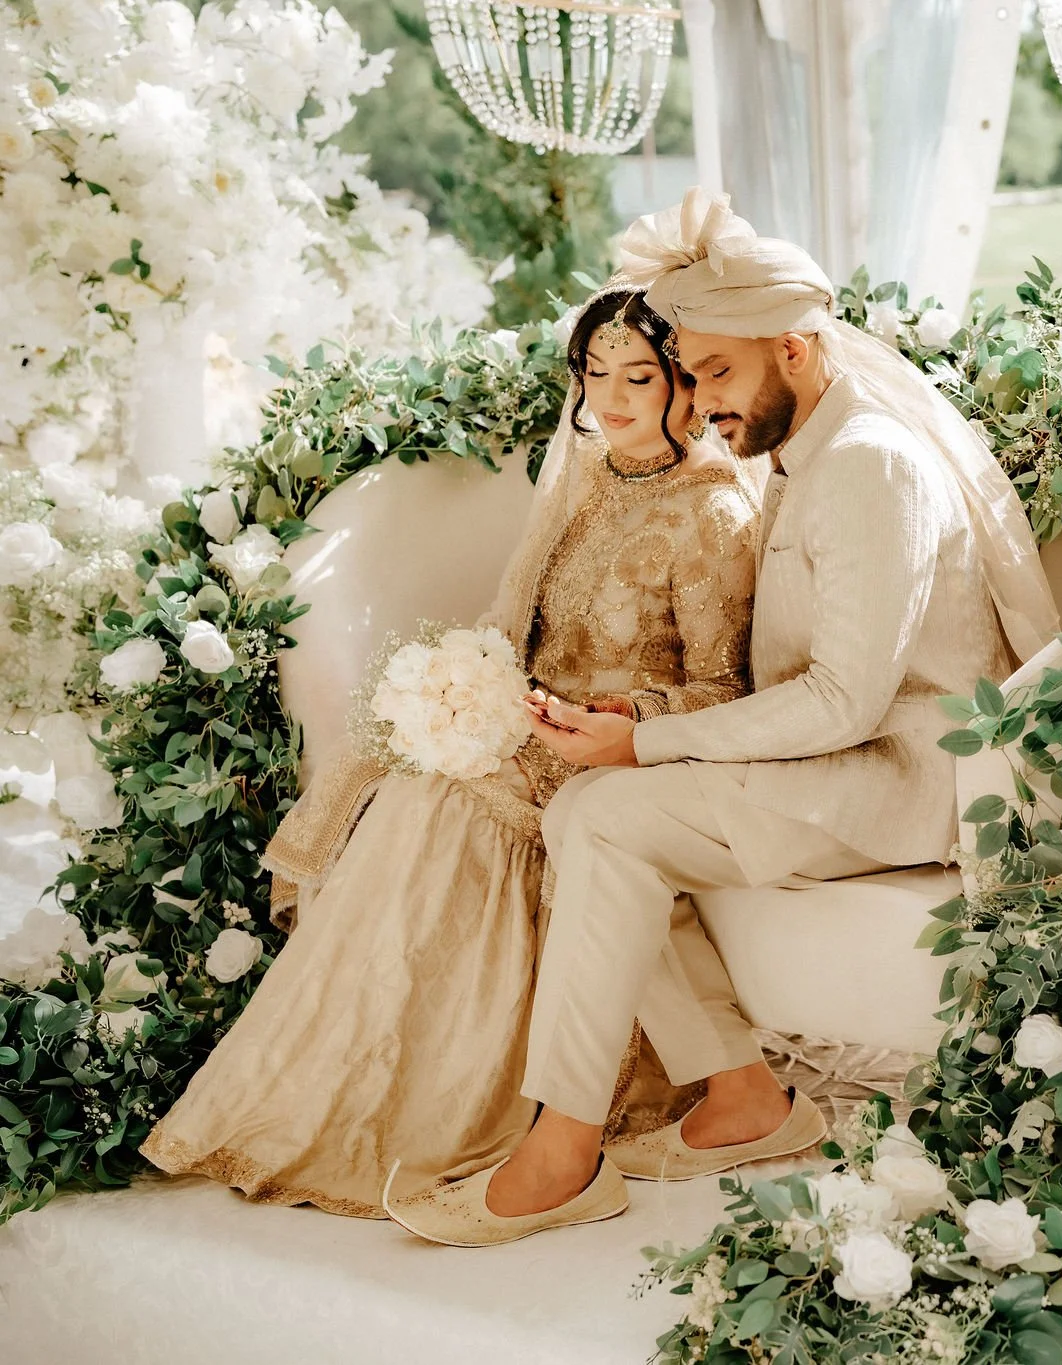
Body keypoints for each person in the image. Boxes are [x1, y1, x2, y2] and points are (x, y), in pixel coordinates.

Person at [382, 189, 1059, 1246]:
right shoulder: (811, 453)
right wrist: (634, 715)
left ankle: (563, 1150)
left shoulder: (869, 465)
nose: (694, 404)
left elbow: (846, 699)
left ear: (793, 350)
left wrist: (644, 740)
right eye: (688, 375)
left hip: (904, 780)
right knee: (589, 808)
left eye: (712, 373)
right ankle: (744, 1099)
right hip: (847, 762)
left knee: (603, 813)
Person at [140, 285, 762, 1218]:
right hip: (530, 719)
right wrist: (466, 686)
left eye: (640, 376)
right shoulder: (586, 475)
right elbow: (513, 620)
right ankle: (339, 1089)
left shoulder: (712, 516)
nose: (613, 399)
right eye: (595, 375)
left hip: (620, 749)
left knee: (440, 798)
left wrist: (612, 714)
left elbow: (724, 690)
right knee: (412, 774)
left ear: (685, 381)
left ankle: (430, 1118)